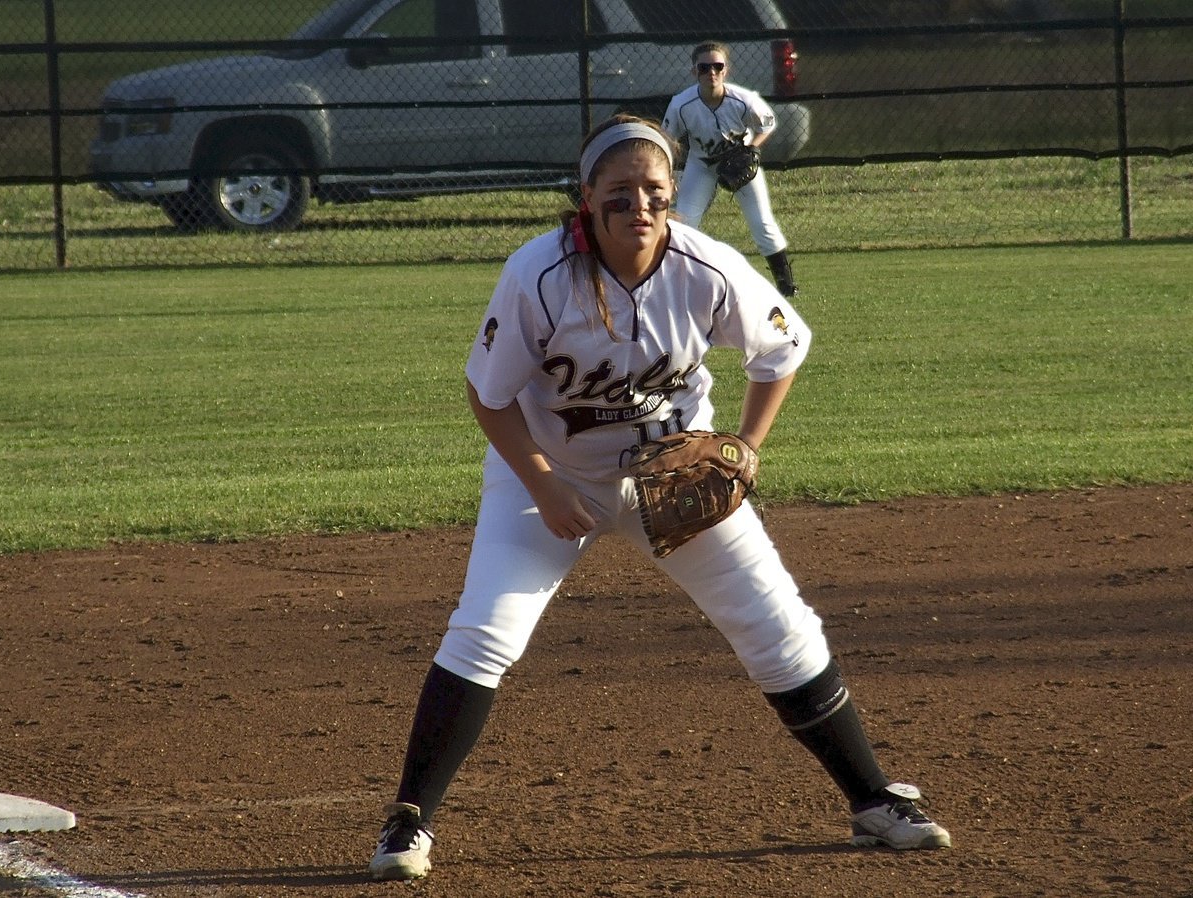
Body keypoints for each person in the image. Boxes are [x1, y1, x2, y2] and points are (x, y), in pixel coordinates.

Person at [367, 115, 950, 882]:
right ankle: (407, 822)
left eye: (653, 190)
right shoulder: (538, 275)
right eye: (619, 192)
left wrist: (744, 449)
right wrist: (542, 484)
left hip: (674, 479)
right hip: (550, 476)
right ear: (587, 198)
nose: (638, 204)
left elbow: (784, 345)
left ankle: (873, 799)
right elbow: (488, 394)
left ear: (673, 195)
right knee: (485, 632)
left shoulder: (705, 266)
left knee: (776, 624)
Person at [661, 40, 799, 297]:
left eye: (717, 66)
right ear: (694, 72)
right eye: (704, 67)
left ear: (726, 70)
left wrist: (753, 150)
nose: (711, 72)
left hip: (739, 161)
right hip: (700, 165)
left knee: (762, 224)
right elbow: (666, 138)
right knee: (684, 224)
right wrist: (667, 173)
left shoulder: (743, 100)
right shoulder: (681, 104)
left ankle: (786, 285)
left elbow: (766, 124)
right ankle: (675, 282)